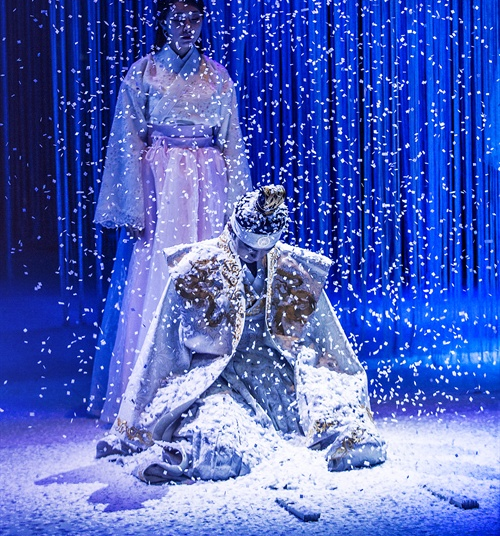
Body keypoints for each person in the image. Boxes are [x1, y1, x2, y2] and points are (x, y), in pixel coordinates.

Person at [96, 185, 386, 482]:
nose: (254, 255)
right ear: (233, 229)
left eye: (264, 249)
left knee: (334, 411)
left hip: (278, 372)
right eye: (248, 246)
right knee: (219, 443)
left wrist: (321, 367)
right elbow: (163, 342)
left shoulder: (291, 266)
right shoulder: (196, 266)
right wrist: (141, 412)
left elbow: (326, 336)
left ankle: (341, 438)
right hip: (220, 375)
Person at [88, 0, 252, 422]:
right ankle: (148, 388)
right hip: (161, 182)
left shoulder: (218, 76)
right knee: (157, 273)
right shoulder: (144, 73)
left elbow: (232, 141)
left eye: (194, 19)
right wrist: (132, 205)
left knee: (207, 271)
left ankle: (209, 385)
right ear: (162, 22)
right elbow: (126, 141)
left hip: (208, 181)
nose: (186, 27)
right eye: (177, 19)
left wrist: (238, 205)